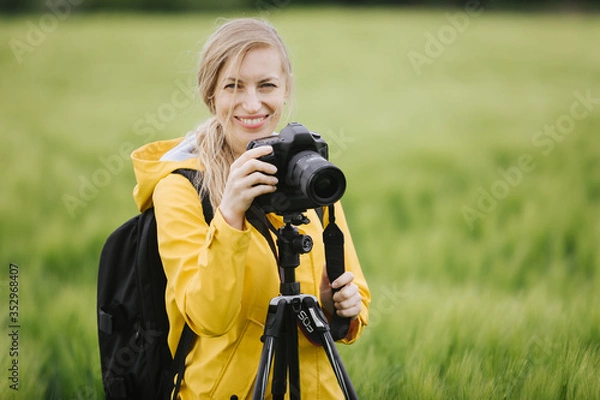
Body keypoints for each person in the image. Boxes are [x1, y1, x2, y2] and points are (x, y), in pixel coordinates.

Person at [131, 17, 370, 399]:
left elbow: (354, 293)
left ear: (286, 88)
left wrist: (337, 309)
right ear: (211, 94)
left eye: (267, 85)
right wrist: (229, 215)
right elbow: (209, 318)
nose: (252, 103)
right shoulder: (181, 189)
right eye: (233, 86)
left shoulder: (310, 174)